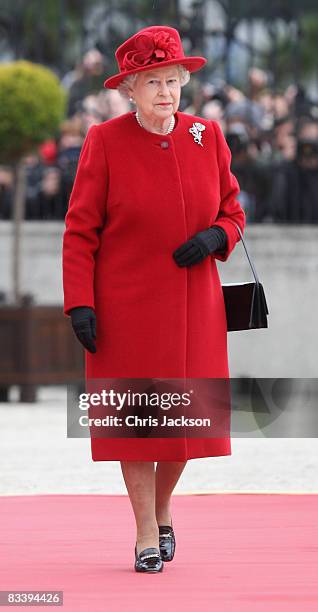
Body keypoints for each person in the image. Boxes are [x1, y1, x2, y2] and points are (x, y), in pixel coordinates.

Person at [62, 25, 245, 574]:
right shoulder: (105, 140)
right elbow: (79, 230)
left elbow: (233, 210)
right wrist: (80, 303)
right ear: (130, 90)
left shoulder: (206, 135)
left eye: (173, 81)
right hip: (126, 310)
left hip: (195, 309)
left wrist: (218, 236)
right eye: (153, 83)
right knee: (136, 426)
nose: (166, 92)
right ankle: (146, 528)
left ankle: (164, 509)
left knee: (186, 426)